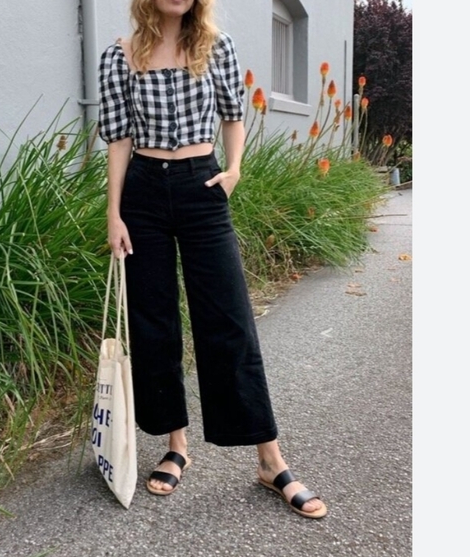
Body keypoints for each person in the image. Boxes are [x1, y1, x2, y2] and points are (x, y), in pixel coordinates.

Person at [97, 0, 327, 519]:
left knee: (230, 320)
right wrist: (114, 214)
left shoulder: (216, 47)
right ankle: (176, 445)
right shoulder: (120, 56)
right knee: (153, 321)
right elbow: (119, 139)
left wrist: (235, 169)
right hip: (143, 194)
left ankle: (270, 459)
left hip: (202, 185)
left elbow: (233, 115)